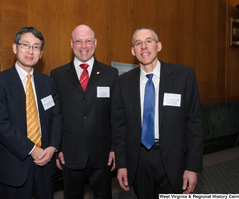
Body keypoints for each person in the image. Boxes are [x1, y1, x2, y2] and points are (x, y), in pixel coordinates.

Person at [112, 27, 203, 198]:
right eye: (138, 43)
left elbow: (194, 124)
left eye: (149, 41)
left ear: (158, 46)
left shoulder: (184, 76)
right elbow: (119, 127)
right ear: (133, 51)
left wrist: (192, 167)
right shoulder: (123, 82)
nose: (144, 46)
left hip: (173, 158)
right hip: (139, 161)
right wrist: (122, 164)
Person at [0, 26, 62, 199]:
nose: (31, 51)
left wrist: (52, 147)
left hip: (46, 163)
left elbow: (57, 116)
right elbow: (0, 124)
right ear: (15, 48)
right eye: (26, 45)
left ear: (41, 53)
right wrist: (32, 149)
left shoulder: (48, 83)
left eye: (36, 47)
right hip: (15, 165)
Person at [50, 24, 118, 199]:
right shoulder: (57, 75)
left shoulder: (111, 74)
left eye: (88, 41)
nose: (84, 46)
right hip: (70, 154)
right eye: (78, 41)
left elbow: (116, 115)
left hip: (102, 154)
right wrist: (57, 149)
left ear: (95, 43)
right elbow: (54, 116)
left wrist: (114, 148)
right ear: (71, 44)